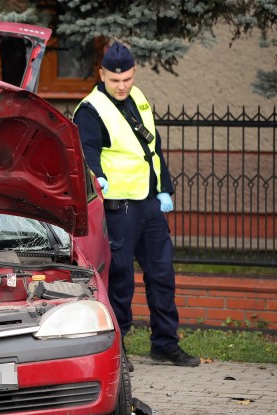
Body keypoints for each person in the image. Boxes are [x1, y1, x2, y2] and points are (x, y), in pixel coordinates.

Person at [73, 41, 200, 369]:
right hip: (119, 208)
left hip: (149, 205)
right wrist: (96, 179)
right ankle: (118, 349)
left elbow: (152, 150)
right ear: (102, 74)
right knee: (121, 280)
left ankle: (165, 344)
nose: (122, 86)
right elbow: (87, 151)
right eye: (115, 80)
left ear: (133, 73)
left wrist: (164, 189)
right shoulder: (91, 109)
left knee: (162, 274)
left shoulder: (138, 98)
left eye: (127, 79)